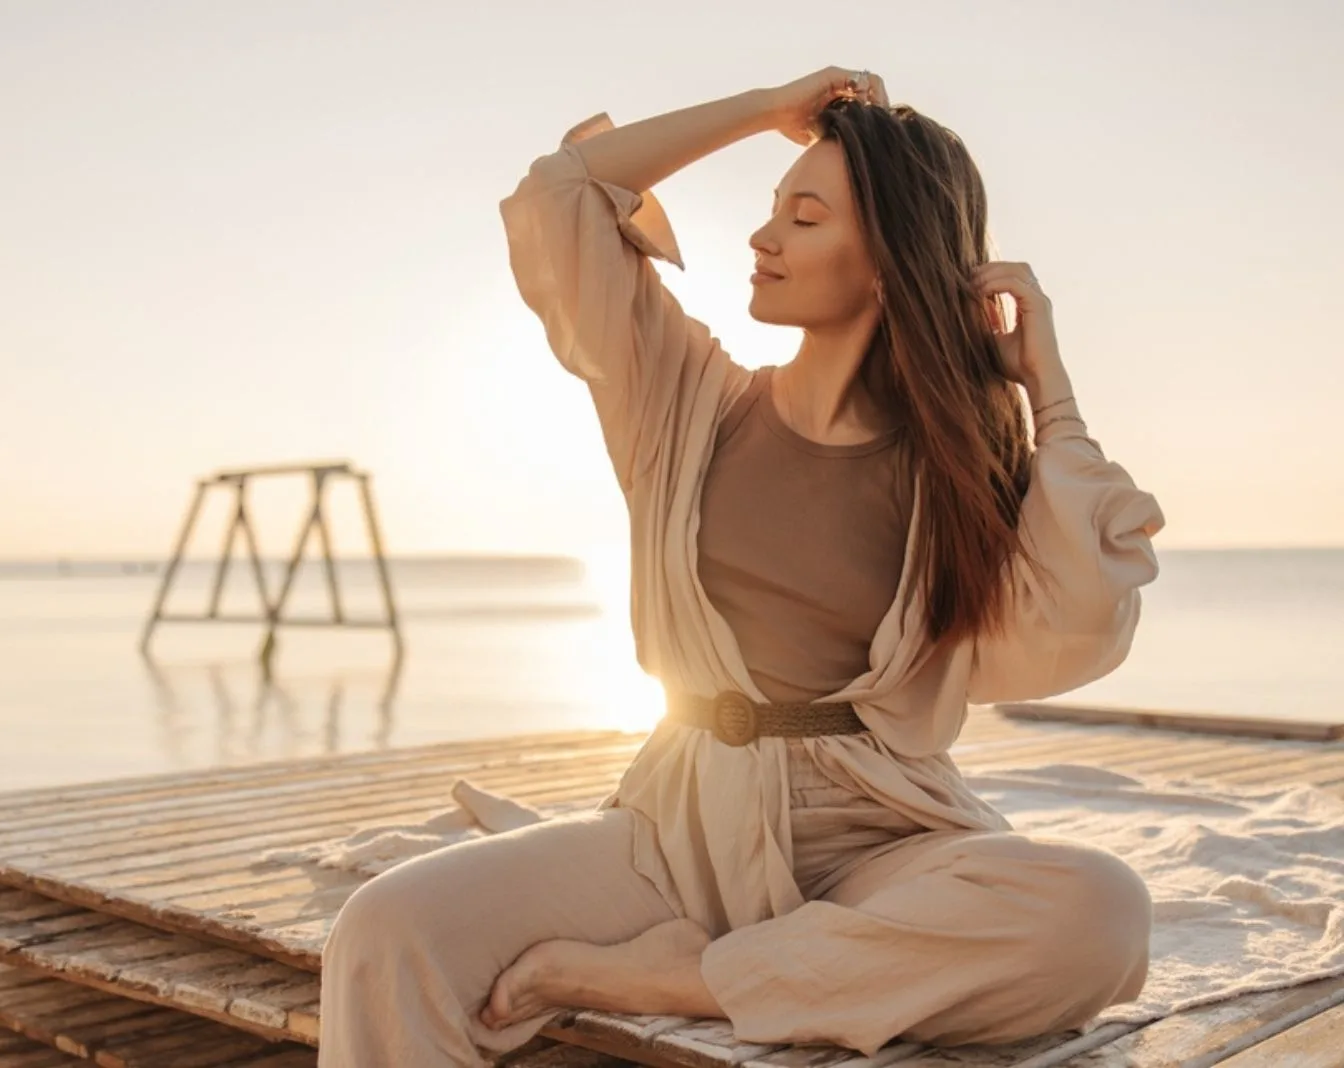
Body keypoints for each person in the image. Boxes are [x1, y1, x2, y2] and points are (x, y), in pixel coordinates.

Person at [318, 66, 1165, 1066]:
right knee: (385, 928)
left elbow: (1075, 631)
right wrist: (770, 107)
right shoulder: (683, 399)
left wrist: (1046, 388)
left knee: (1098, 914)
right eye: (772, 212)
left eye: (804, 218)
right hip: (678, 826)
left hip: (883, 830)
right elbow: (561, 195)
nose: (762, 238)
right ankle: (772, 964)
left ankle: (663, 975)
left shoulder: (959, 467)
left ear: (889, 259)